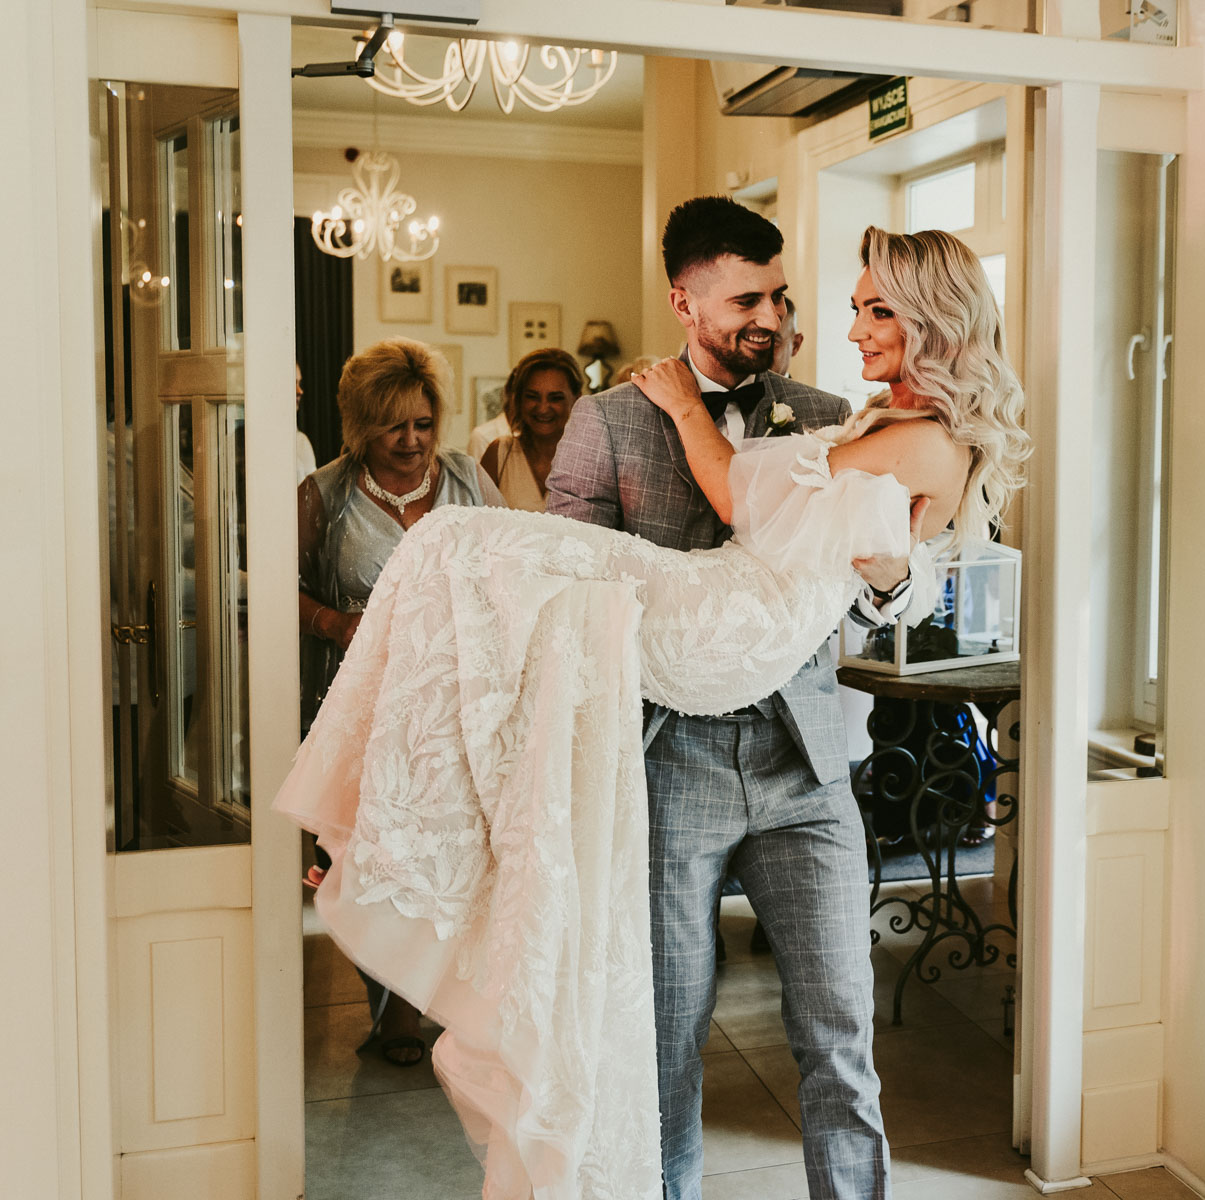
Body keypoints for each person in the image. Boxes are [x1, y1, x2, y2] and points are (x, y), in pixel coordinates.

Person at [275, 216, 1026, 1200]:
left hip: (802, 764)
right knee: (661, 1042)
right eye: (749, 299)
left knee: (840, 1042)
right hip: (674, 756)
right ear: (687, 303)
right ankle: (390, 816)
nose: (777, 317)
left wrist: (893, 580)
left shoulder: (833, 410)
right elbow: (564, 575)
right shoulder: (607, 419)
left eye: (782, 298)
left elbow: (884, 579)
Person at [296, 336, 504, 1067]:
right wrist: (334, 622)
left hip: (457, 707)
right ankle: (392, 1008)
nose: (412, 441)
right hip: (363, 709)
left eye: (423, 423)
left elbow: (514, 567)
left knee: (453, 856)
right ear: (360, 426)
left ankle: (444, 999)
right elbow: (278, 588)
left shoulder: (468, 479)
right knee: (374, 859)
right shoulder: (324, 494)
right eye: (394, 427)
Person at [479, 347, 582, 512]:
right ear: (519, 399)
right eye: (532, 397)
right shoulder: (499, 454)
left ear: (577, 399)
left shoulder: (591, 460)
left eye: (555, 398)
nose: (543, 408)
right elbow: (476, 520)